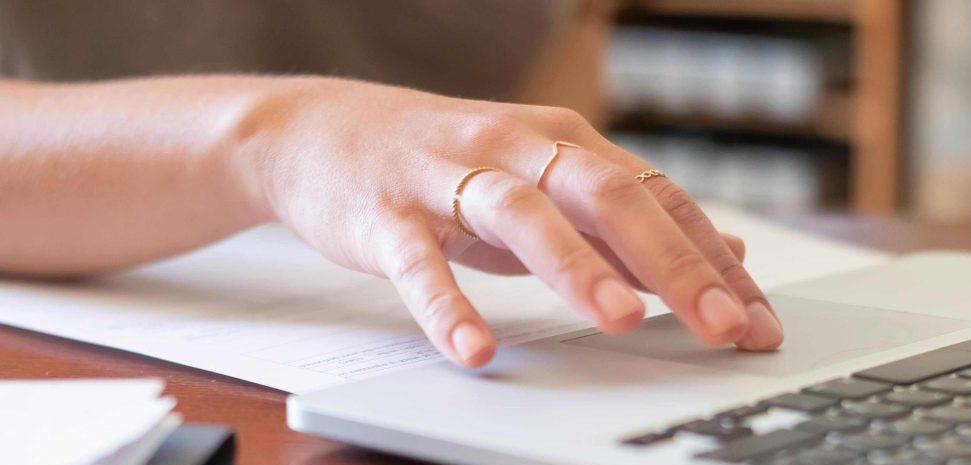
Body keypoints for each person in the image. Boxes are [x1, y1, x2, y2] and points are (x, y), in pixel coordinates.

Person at [0, 2, 784, 368]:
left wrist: (547, 194)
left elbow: (567, 38)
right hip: (94, 342)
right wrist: (277, 140)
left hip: (448, 347)